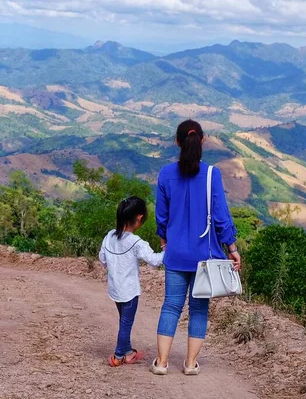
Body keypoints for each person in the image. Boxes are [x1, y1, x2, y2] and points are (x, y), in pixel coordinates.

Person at [150, 119, 241, 376]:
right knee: (198, 309)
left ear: (177, 142)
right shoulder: (212, 174)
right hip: (204, 255)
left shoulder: (166, 174)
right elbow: (222, 217)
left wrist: (164, 239)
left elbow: (162, 215)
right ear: (202, 140)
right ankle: (190, 364)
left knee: (171, 306)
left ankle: (162, 363)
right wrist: (232, 248)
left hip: (176, 252)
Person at [99, 196, 165, 367]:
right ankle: (118, 355)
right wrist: (168, 249)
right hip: (129, 291)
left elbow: (102, 258)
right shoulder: (136, 242)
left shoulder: (109, 236)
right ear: (139, 218)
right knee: (126, 324)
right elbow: (155, 261)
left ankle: (128, 353)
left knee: (123, 321)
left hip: (115, 289)